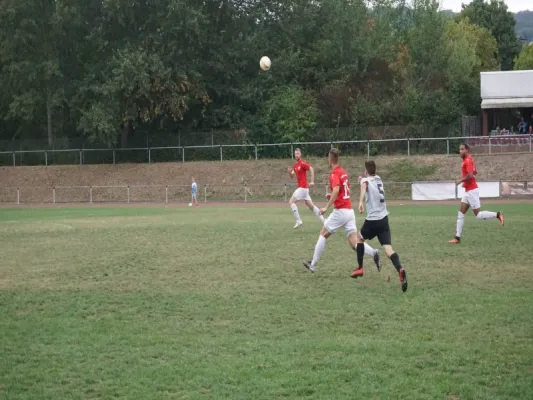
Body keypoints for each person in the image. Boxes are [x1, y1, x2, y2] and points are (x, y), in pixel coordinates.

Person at [302, 148, 381, 274]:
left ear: (330, 159)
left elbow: (337, 190)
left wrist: (327, 207)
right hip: (349, 212)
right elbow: (346, 191)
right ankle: (374, 253)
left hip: (341, 212)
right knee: (353, 242)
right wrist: (332, 195)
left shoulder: (334, 174)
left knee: (323, 234)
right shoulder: (343, 172)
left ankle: (313, 264)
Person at [355, 160, 407, 292]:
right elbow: (366, 180)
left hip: (372, 220)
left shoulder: (365, 181)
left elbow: (364, 185)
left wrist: (360, 201)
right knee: (388, 249)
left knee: (359, 239)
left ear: (366, 171)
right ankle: (400, 269)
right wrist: (362, 178)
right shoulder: (379, 179)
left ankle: (360, 267)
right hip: (384, 219)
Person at [448, 143, 504, 244]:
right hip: (468, 191)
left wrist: (461, 181)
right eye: (459, 149)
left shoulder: (468, 160)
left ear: (467, 150)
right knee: (460, 213)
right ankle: (457, 238)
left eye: (462, 149)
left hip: (472, 191)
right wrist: (466, 181)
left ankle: (498, 214)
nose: (460, 151)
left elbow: (470, 175)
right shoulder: (468, 159)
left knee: (478, 215)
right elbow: (475, 172)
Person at [288, 148, 324, 228]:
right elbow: (292, 176)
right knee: (311, 206)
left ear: (300, 154)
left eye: (298, 153)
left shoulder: (302, 163)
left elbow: (311, 168)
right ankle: (324, 221)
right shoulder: (295, 165)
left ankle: (298, 220)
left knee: (291, 202)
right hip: (304, 189)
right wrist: (290, 172)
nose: (296, 155)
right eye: (295, 153)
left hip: (303, 188)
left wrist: (312, 181)